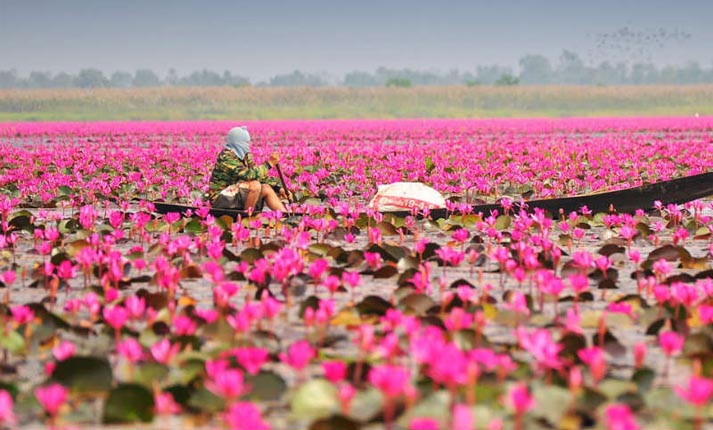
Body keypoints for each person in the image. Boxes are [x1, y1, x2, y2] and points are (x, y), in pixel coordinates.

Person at [206, 126, 289, 212]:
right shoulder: (226, 157)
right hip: (220, 199)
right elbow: (249, 175)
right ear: (238, 142)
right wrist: (269, 164)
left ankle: (285, 215)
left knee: (266, 188)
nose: (248, 145)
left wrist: (279, 188)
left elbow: (259, 176)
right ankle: (247, 216)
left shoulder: (245, 155)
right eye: (246, 142)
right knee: (255, 185)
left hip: (235, 194)